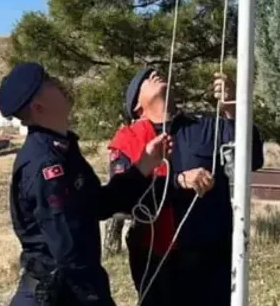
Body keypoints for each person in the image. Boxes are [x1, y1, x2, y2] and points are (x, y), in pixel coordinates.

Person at [0, 61, 171, 306]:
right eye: (48, 82)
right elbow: (68, 252)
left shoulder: (63, 150)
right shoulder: (45, 164)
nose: (58, 83)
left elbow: (98, 204)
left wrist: (143, 165)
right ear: (38, 107)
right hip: (60, 295)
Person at [108, 69, 264, 306]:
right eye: (146, 77)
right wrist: (179, 181)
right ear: (136, 105)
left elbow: (251, 158)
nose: (156, 73)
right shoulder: (127, 139)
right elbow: (124, 198)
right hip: (157, 262)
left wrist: (233, 106)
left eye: (157, 72)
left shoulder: (206, 125)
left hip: (212, 260)